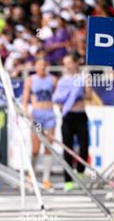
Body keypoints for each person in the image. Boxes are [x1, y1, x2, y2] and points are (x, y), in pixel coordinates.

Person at [52, 54, 92, 192]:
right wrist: (65, 99)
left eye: (69, 62)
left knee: (84, 146)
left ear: (76, 63)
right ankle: (67, 180)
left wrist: (78, 94)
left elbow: (89, 96)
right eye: (65, 63)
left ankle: (80, 171)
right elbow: (57, 99)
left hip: (80, 115)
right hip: (68, 116)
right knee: (67, 148)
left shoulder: (83, 77)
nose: (67, 66)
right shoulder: (62, 80)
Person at [22, 58, 57, 189]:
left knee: (48, 146)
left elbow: (58, 95)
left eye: (44, 66)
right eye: (39, 66)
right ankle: (31, 174)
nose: (42, 68)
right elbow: (25, 99)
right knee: (35, 148)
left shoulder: (53, 80)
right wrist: (26, 112)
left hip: (49, 115)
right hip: (37, 115)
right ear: (35, 67)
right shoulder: (31, 80)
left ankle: (46, 178)